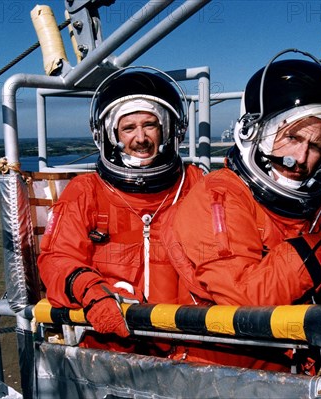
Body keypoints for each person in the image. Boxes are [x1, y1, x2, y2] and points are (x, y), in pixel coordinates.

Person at [162, 57, 321, 369]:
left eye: (316, 146)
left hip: (300, 367)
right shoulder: (219, 196)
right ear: (257, 131)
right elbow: (247, 300)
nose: (301, 157)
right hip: (222, 372)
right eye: (292, 137)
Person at [37, 68, 203, 352]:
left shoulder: (194, 185)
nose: (140, 138)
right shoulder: (87, 191)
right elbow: (57, 260)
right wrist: (92, 292)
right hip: (113, 342)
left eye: (150, 125)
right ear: (110, 135)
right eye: (128, 128)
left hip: (189, 342)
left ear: (168, 130)